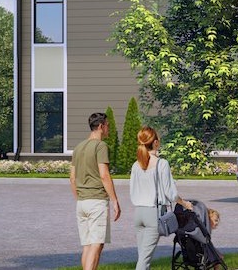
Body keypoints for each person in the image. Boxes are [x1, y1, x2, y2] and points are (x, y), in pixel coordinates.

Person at [71, 111, 120, 270]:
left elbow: (72, 178)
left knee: (88, 245)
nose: (109, 129)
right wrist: (115, 200)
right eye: (107, 126)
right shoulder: (100, 146)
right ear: (100, 126)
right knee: (96, 244)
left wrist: (79, 198)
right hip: (96, 201)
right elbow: (104, 175)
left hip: (82, 203)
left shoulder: (78, 147)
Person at [130, 126, 184, 270]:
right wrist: (185, 203)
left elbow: (132, 191)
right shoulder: (162, 163)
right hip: (153, 213)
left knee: (142, 255)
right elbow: (170, 193)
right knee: (144, 261)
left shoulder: (136, 165)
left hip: (138, 213)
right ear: (155, 143)